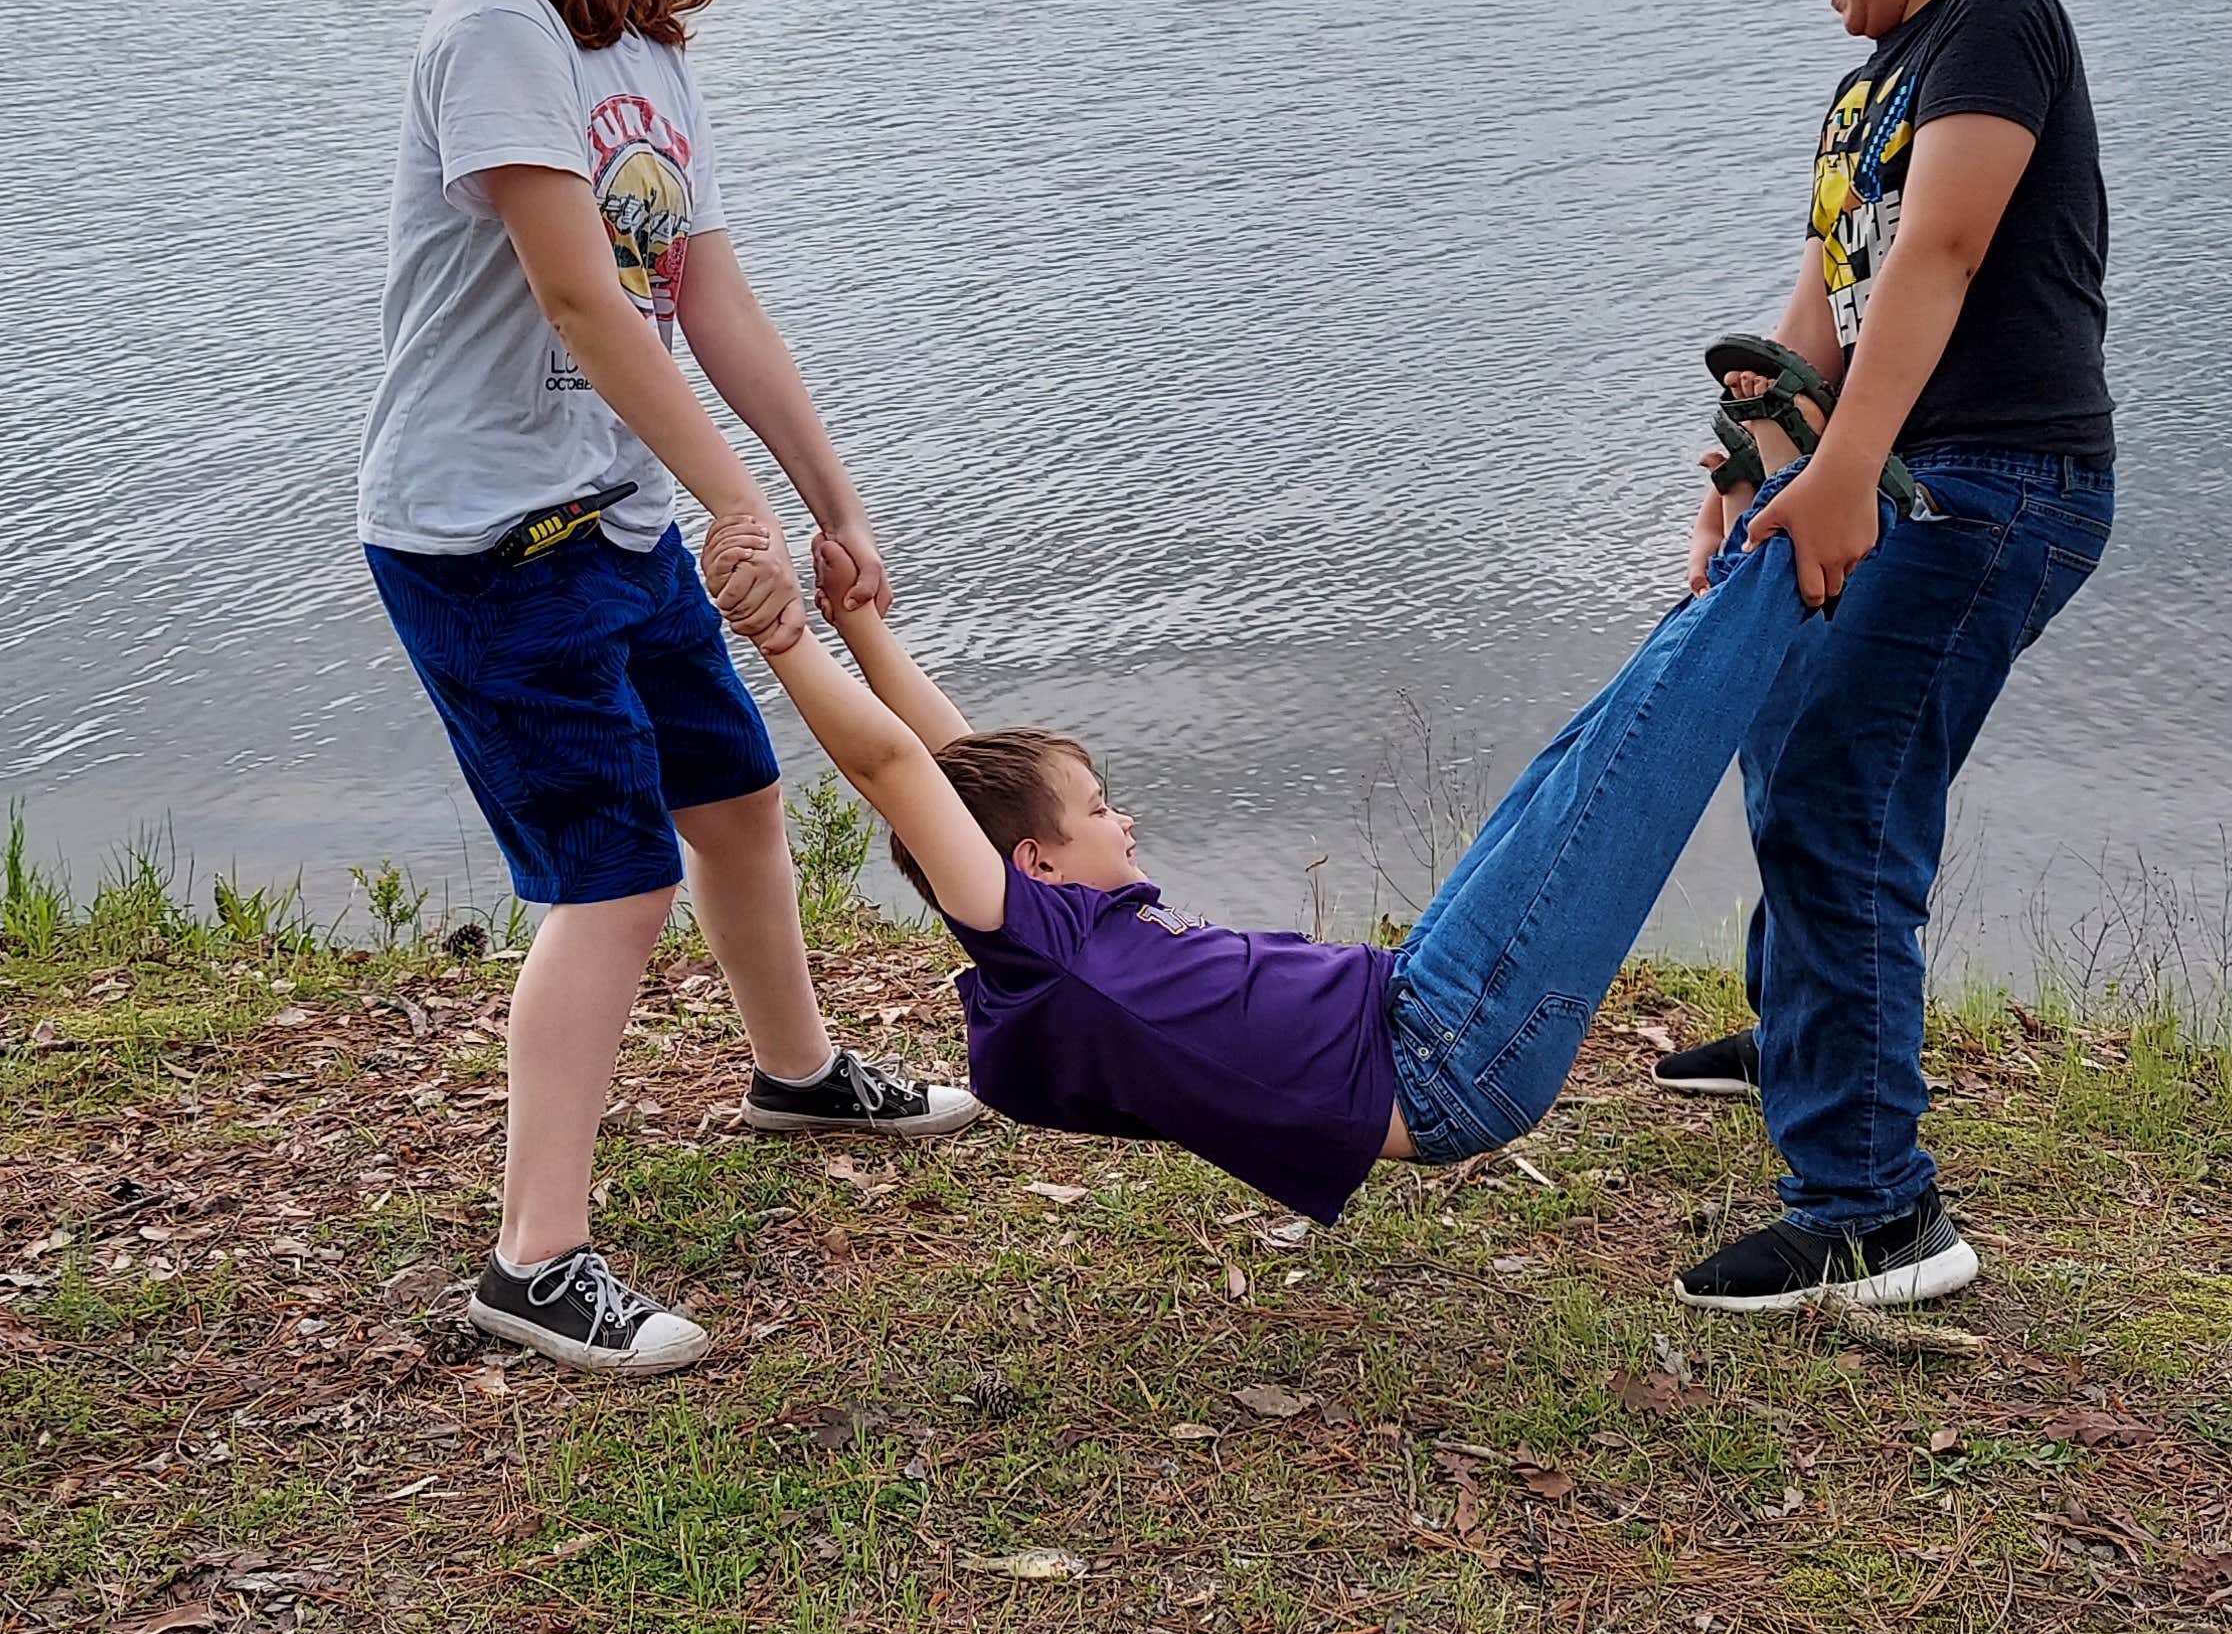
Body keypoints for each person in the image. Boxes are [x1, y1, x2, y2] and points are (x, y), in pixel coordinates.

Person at [355, 0, 978, 1378]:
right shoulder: (498, 30)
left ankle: (797, 1076)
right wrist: (733, 501)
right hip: (487, 534)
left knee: (737, 798)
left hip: (613, 513)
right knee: (612, 874)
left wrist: (826, 493)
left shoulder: (644, 54)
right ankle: (533, 1255)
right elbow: (576, 294)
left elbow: (704, 295)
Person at [734, 517, 1826, 1224]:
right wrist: (786, 639)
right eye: (1101, 811)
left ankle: (1752, 542)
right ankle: (1796, 531)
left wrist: (858, 623)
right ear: (1038, 865)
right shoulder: (1041, 948)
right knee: (1622, 783)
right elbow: (893, 769)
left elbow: (950, 760)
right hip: (1447, 1060)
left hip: (1416, 1001)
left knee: (1576, 772)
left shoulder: (1052, 919)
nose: (1125, 820)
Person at [1652, 0, 2116, 1315]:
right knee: (1786, 732)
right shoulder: (1870, 88)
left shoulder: (1998, 18)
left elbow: (1946, 245)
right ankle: (1811, 1027)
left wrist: (1849, 467)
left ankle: (1875, 1211)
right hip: (1904, 474)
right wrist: (1753, 467)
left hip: (1995, 483)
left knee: (1845, 787)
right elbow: (1825, 302)